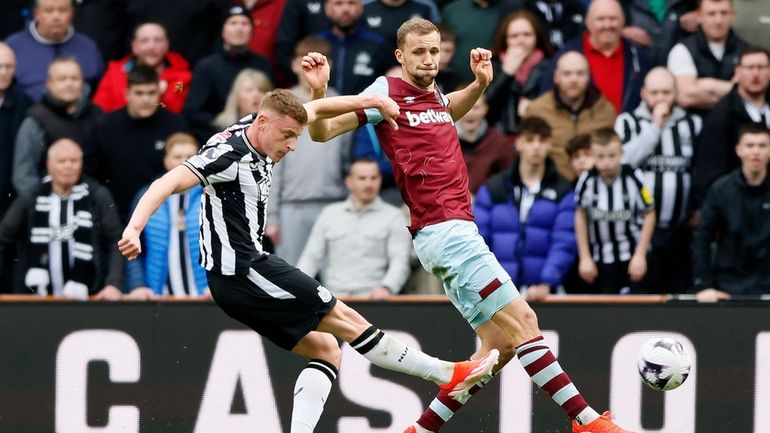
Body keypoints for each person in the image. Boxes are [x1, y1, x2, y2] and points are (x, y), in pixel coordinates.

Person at [305, 17, 633, 433]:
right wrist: (319, 93)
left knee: (499, 347)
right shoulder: (385, 91)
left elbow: (446, 110)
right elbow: (323, 131)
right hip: (447, 231)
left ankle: (421, 430)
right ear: (399, 55)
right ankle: (586, 421)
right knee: (525, 323)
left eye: (434, 50)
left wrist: (478, 85)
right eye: (419, 52)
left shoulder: (433, 93)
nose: (428, 59)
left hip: (448, 234)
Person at [119, 88, 500, 433]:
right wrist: (135, 228)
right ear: (264, 123)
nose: (292, 145)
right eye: (287, 136)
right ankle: (445, 373)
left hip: (236, 280)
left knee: (326, 349)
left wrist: (372, 102)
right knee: (346, 320)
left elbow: (316, 108)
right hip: (246, 270)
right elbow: (164, 183)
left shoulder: (257, 125)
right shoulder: (226, 156)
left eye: (296, 137)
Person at [265, 37, 351, 265]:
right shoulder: (281, 105)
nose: (312, 70)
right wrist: (271, 216)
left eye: (319, 64)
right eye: (306, 63)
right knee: (293, 278)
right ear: (294, 65)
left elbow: (348, 159)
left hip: (335, 202)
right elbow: (273, 163)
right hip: (292, 207)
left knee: (335, 278)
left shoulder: (340, 102)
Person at [0, 138, 123, 300]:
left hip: (90, 297)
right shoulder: (30, 197)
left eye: (73, 161)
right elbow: (3, 238)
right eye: (61, 161)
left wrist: (113, 284)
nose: (68, 166)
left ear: (81, 164)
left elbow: (116, 241)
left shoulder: (98, 195)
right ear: (48, 165)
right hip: (36, 300)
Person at [615, 67, 702, 293]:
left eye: (666, 92)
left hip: (680, 228)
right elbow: (623, 162)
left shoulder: (693, 124)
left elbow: (700, 169)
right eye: (654, 93)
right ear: (643, 93)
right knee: (641, 291)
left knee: (677, 291)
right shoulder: (627, 122)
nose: (660, 98)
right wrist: (655, 126)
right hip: (637, 230)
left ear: (675, 93)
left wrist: (699, 205)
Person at [474, 116, 576, 301]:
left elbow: (564, 241)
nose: (536, 147)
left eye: (542, 140)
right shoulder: (494, 188)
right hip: (497, 291)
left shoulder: (563, 190)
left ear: (550, 144)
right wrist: (490, 282)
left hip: (543, 293)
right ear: (518, 143)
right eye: (530, 140)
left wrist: (547, 280)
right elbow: (479, 239)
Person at [297, 157, 411, 298]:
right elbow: (311, 258)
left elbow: (400, 260)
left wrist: (387, 287)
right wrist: (298, 289)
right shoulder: (330, 214)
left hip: (374, 299)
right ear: (349, 182)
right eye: (362, 178)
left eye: (373, 178)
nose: (368, 184)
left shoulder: (394, 216)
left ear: (380, 180)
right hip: (334, 299)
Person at [85, 65, 187, 222]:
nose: (145, 99)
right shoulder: (105, 127)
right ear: (127, 94)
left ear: (159, 93)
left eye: (151, 93)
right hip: (118, 215)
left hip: (164, 217)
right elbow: (91, 174)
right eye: (139, 93)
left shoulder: (176, 126)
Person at [124, 132, 208, 300]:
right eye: (177, 156)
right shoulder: (148, 196)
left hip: (205, 295)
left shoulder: (212, 194)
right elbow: (131, 245)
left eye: (190, 156)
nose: (184, 161)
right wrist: (138, 285)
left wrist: (220, 286)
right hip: (158, 296)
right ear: (166, 160)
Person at [692, 123, 770, 301]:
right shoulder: (721, 190)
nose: (756, 152)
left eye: (762, 145)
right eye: (750, 146)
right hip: (729, 287)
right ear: (738, 150)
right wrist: (703, 285)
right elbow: (702, 237)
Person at [574, 128, 656, 294]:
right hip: (602, 260)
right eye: (600, 157)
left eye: (612, 156)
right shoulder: (586, 180)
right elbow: (580, 216)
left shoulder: (634, 176)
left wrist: (640, 254)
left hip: (632, 256)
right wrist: (585, 257)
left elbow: (650, 212)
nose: (606, 162)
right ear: (592, 155)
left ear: (621, 153)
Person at [690, 46, 770, 209]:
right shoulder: (721, 115)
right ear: (738, 72)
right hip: (738, 212)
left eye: (761, 67)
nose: (755, 74)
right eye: (749, 68)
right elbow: (709, 173)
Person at [540, 0, 652, 114]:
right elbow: (547, 99)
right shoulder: (565, 57)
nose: (607, 25)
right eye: (600, 19)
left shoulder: (639, 59)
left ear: (623, 21)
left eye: (613, 19)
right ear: (588, 22)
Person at [12, 57, 102, 197]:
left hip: (92, 205)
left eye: (74, 78)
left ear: (82, 82)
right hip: (48, 204)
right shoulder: (35, 121)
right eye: (62, 79)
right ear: (49, 83)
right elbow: (24, 177)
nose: (69, 84)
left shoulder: (98, 116)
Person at [183, 4, 274, 141]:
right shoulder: (207, 66)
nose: (239, 29)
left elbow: (271, 102)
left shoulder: (263, 64)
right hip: (218, 136)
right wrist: (225, 127)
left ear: (252, 30)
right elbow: (193, 111)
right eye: (233, 23)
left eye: (244, 23)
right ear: (223, 30)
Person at [526, 51, 617, 181]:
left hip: (596, 185)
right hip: (551, 187)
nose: (574, 79)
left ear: (588, 77)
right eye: (567, 74)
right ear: (556, 77)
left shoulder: (606, 111)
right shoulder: (538, 110)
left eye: (580, 73)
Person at [5, 0, 104, 101]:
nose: (56, 17)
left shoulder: (88, 47)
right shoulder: (13, 47)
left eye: (62, 11)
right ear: (36, 14)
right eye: (48, 11)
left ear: (72, 13)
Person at [91, 21, 192, 114]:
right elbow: (99, 110)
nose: (151, 46)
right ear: (134, 47)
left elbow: (174, 109)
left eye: (158, 40)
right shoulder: (115, 73)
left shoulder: (181, 79)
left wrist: (161, 97)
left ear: (166, 45)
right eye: (145, 41)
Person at [667, 0, 748, 112]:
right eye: (711, 14)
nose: (718, 20)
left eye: (724, 13)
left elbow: (754, 95)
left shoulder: (746, 52)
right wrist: (733, 90)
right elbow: (686, 97)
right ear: (699, 16)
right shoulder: (682, 50)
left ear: (732, 15)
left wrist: (708, 84)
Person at [485, 10, 553, 135]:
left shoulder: (550, 66)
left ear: (537, 37)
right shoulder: (491, 65)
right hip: (500, 135)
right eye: (514, 36)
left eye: (527, 35)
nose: (521, 40)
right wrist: (506, 73)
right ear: (505, 40)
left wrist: (535, 107)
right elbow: (485, 105)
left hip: (538, 134)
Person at [316, 0, 394, 95]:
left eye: (351, 3)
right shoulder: (316, 42)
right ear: (327, 9)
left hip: (364, 107)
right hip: (322, 105)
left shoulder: (377, 43)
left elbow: (392, 76)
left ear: (361, 8)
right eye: (338, 3)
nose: (346, 9)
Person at [456, 93, 514, 194]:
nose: (470, 113)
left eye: (475, 107)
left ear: (485, 109)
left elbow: (509, 181)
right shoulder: (443, 140)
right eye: (465, 106)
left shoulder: (499, 143)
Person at [0, 42, 33, 219]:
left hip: (9, 197)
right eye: (0, 67)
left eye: (8, 66)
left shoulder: (24, 104)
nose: (4, 72)